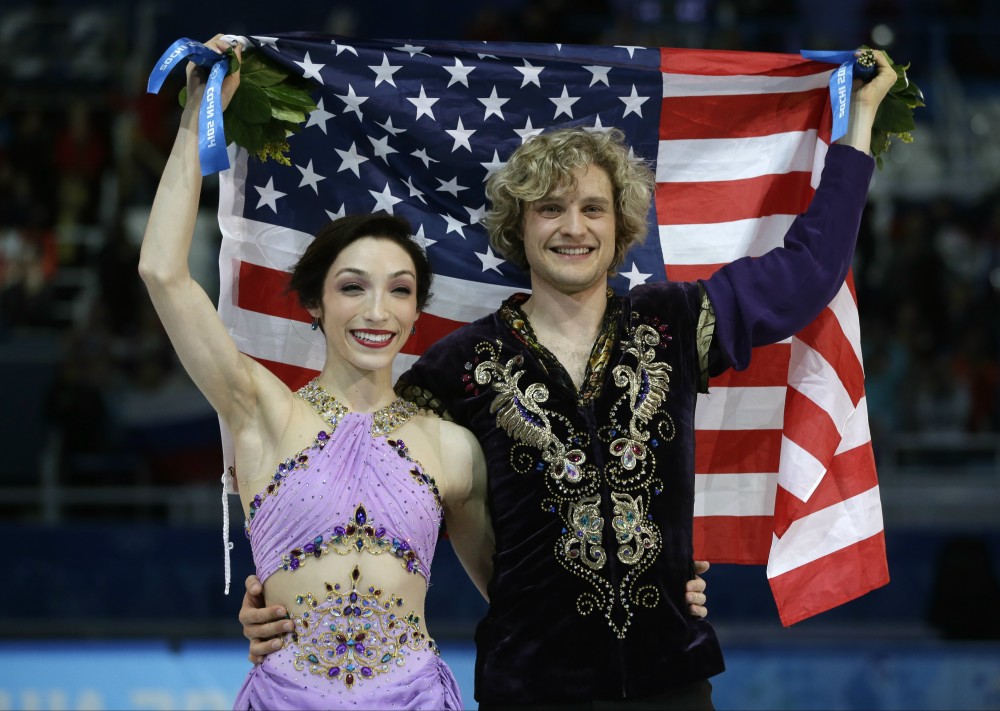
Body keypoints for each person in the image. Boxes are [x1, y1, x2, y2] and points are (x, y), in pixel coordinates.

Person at [241, 48, 897, 709]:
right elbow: (354, 491)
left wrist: (859, 123)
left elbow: (807, 273)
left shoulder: (675, 321)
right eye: (550, 208)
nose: (574, 227)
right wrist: (278, 594)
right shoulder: (453, 370)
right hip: (530, 689)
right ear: (519, 227)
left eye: (593, 208)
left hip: (671, 681)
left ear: (621, 227)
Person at [139, 36, 495, 710]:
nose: (376, 310)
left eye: (397, 290)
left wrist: (659, 591)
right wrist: (196, 118)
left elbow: (520, 598)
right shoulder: (261, 410)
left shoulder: (454, 447)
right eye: (352, 287)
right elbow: (162, 271)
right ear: (315, 302)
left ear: (418, 311)